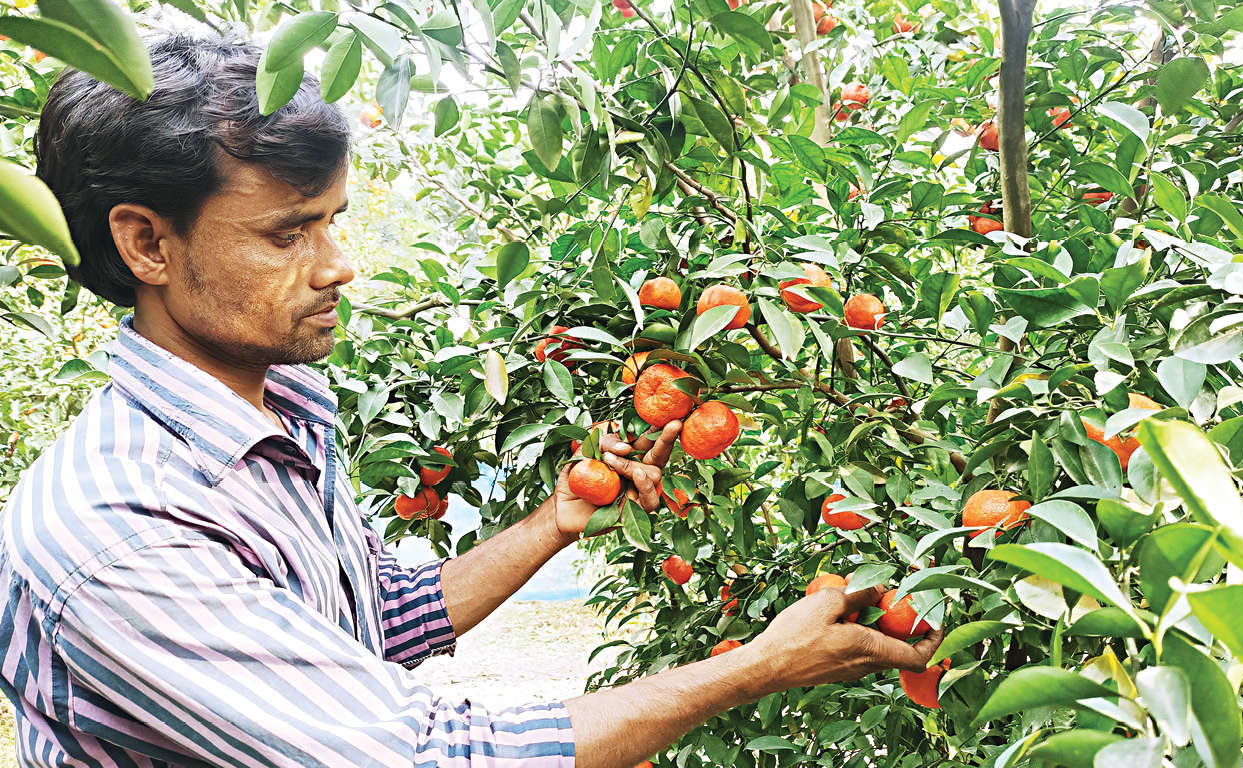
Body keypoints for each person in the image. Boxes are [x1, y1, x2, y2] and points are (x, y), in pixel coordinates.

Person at [0, 33, 943, 768]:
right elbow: (428, 756)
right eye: (288, 235)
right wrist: (757, 667)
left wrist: (555, 521)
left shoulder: (280, 415)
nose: (338, 266)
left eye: (332, 222)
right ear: (147, 244)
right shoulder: (120, 524)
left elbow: (378, 620)